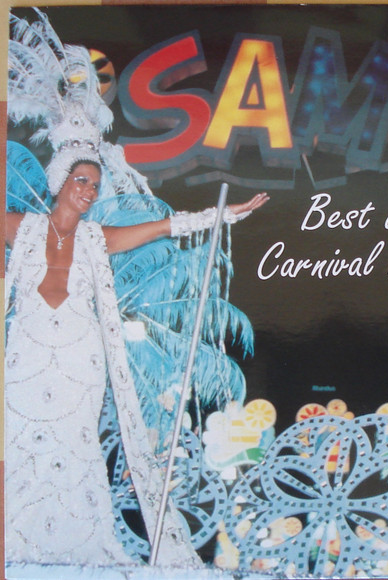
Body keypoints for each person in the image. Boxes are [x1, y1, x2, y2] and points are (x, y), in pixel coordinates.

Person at [4, 157, 268, 568]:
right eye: (82, 180)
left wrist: (224, 214)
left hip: (79, 359)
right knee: (19, 442)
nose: (89, 191)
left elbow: (165, 227)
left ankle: (76, 543)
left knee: (72, 446)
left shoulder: (97, 238)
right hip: (27, 355)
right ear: (59, 182)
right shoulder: (20, 227)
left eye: (95, 185)